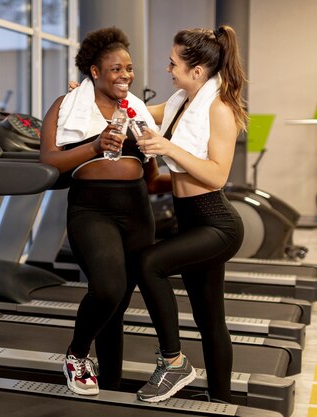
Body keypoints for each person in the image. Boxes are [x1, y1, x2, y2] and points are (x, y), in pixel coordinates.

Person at [40, 26, 170, 396]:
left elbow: (152, 174)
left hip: (135, 208)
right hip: (91, 207)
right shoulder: (65, 106)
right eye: (116, 69)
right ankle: (77, 355)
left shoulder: (136, 109)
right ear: (94, 72)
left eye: (129, 69)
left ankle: (111, 387)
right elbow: (51, 160)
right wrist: (96, 146)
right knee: (107, 290)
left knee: (119, 306)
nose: (126, 75)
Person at [134, 26, 247, 403]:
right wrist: (93, 100)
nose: (168, 69)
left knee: (149, 264)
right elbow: (138, 112)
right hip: (191, 217)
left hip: (216, 222)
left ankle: (174, 362)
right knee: (210, 320)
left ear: (197, 70)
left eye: (173, 63)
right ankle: (221, 402)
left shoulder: (219, 109)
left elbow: (217, 175)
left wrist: (167, 147)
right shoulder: (182, 100)